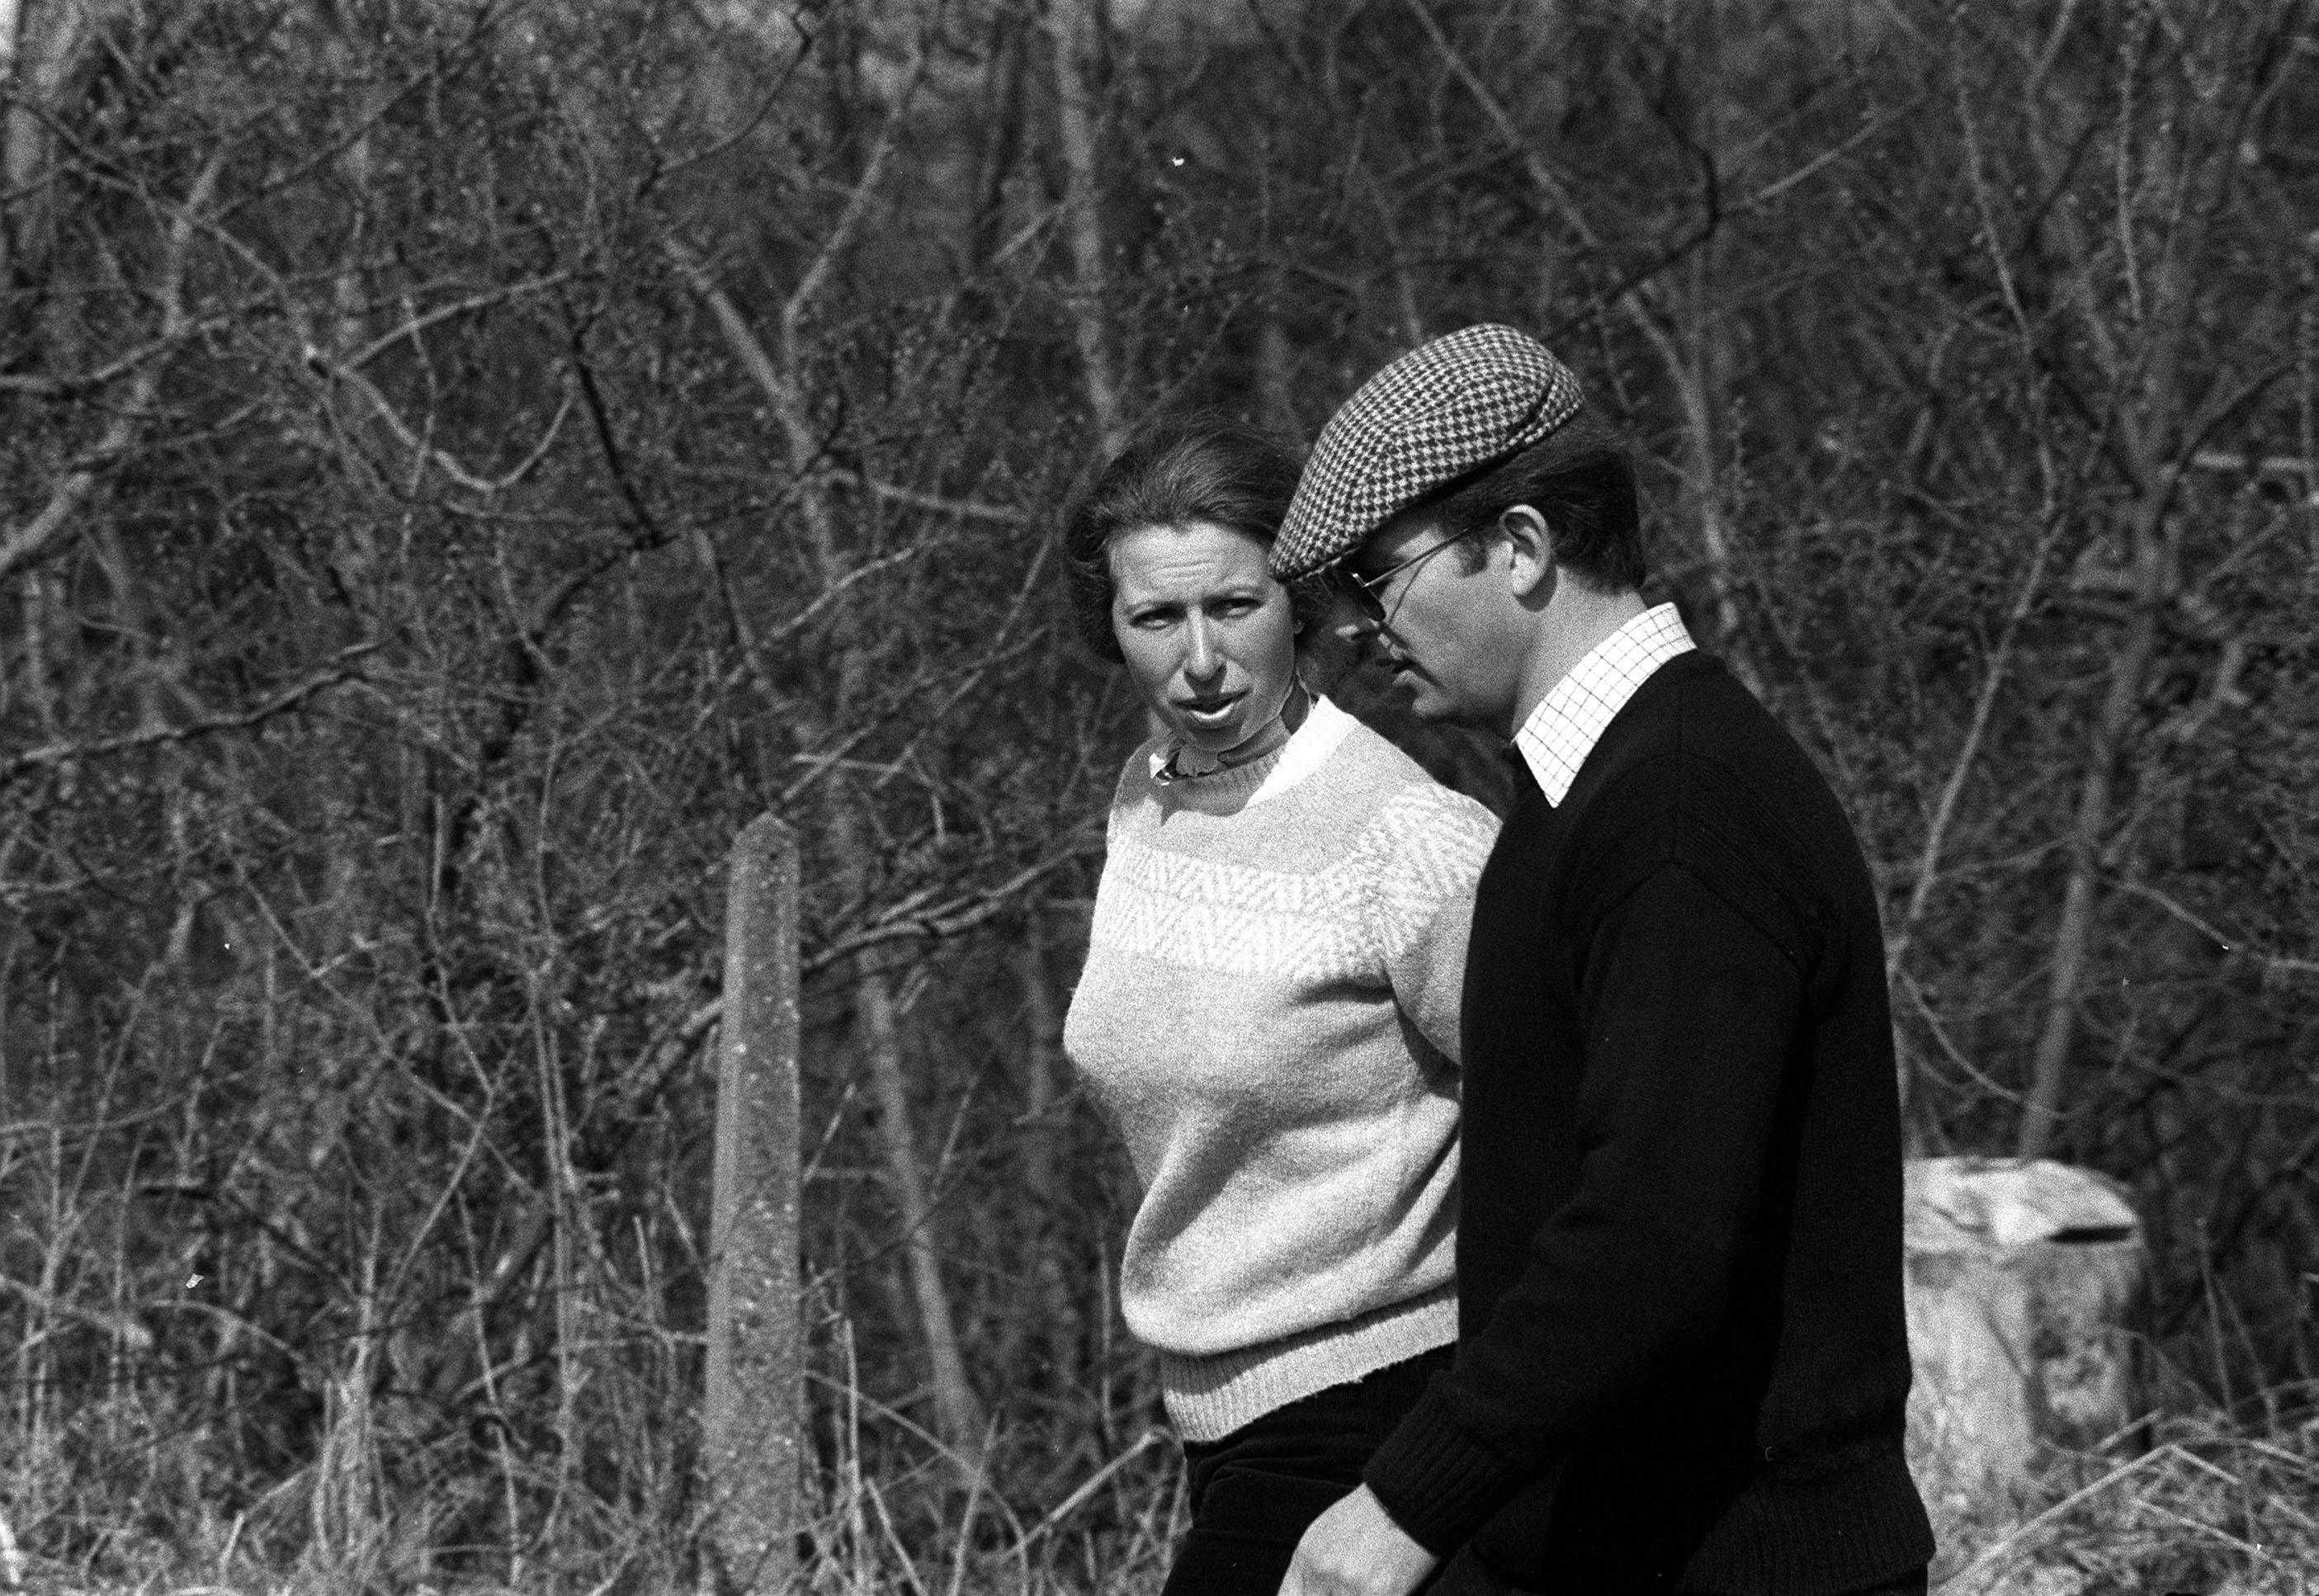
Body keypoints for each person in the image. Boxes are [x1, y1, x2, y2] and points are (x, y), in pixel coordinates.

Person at [1264, 325, 1937, 1596]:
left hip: (1737, 1562)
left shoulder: (1677, 810)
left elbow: (1654, 1228)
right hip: (1624, 1544)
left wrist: (1403, 1506)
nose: (1353, 631)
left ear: (1519, 546)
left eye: (1374, 576)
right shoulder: (1588, 794)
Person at [1057, 414, 1500, 1596]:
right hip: (1210, 1416)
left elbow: (1573, 1125)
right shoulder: (1142, 802)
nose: (1199, 659)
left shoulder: (1405, 838)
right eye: (1156, 618)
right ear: (1110, 629)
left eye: (1233, 607)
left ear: (1297, 601)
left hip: (1374, 1407)